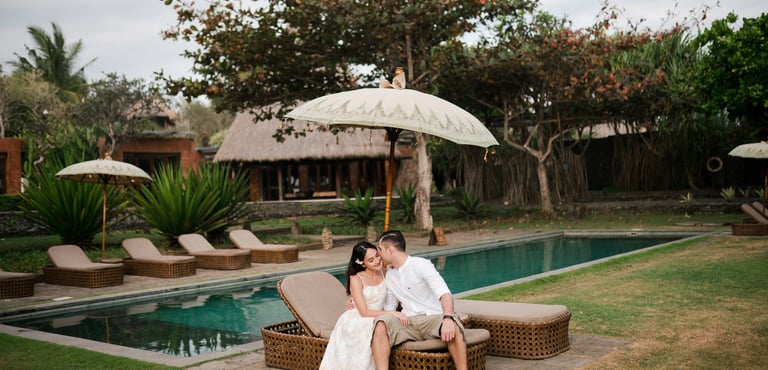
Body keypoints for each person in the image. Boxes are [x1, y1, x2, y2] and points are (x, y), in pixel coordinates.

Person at [372, 230, 468, 370]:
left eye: (380, 249)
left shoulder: (421, 265)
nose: (378, 254)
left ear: (389, 249)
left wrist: (447, 318)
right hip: (407, 323)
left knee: (453, 325)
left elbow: (445, 294)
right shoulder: (390, 276)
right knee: (381, 324)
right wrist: (358, 303)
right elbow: (389, 309)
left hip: (431, 319)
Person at [319, 241, 408, 370]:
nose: (377, 261)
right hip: (359, 318)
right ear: (361, 262)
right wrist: (391, 313)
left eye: (377, 256)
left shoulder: (385, 272)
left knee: (381, 324)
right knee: (372, 327)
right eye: (371, 260)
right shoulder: (356, 279)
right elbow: (364, 313)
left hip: (380, 314)